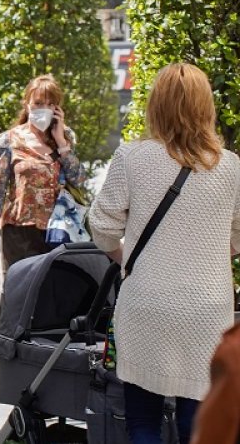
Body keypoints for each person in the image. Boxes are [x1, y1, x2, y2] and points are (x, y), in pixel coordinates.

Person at [88, 63, 240, 444]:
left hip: (147, 304)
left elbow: (102, 226)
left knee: (142, 423)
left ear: (155, 105)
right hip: (209, 311)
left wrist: (127, 258)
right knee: (199, 426)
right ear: (207, 106)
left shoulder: (132, 157)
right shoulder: (231, 166)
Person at [0, 75, 87, 273]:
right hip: (19, 233)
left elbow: (78, 179)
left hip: (59, 232)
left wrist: (61, 142)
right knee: (19, 296)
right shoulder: (8, 140)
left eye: (50, 104)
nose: (43, 109)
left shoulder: (66, 136)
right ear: (27, 104)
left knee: (53, 296)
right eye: (38, 103)